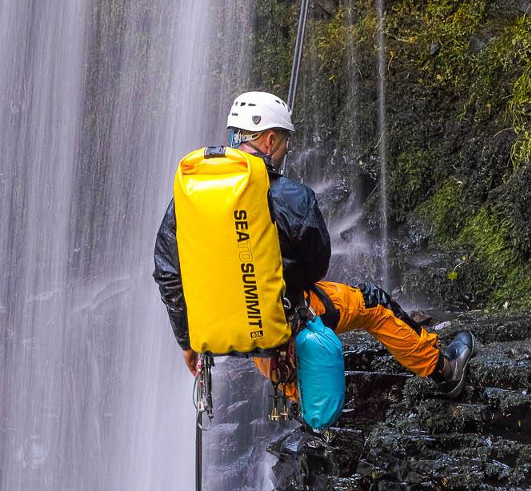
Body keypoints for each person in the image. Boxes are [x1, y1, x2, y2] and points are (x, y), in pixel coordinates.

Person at [153, 91, 474, 399]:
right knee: (373, 303)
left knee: (289, 370)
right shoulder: (291, 196)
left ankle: (308, 416)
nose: (286, 150)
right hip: (277, 323)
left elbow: (168, 272)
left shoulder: (189, 198)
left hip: (220, 331)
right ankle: (446, 371)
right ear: (269, 140)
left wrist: (186, 340)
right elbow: (317, 266)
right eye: (285, 141)